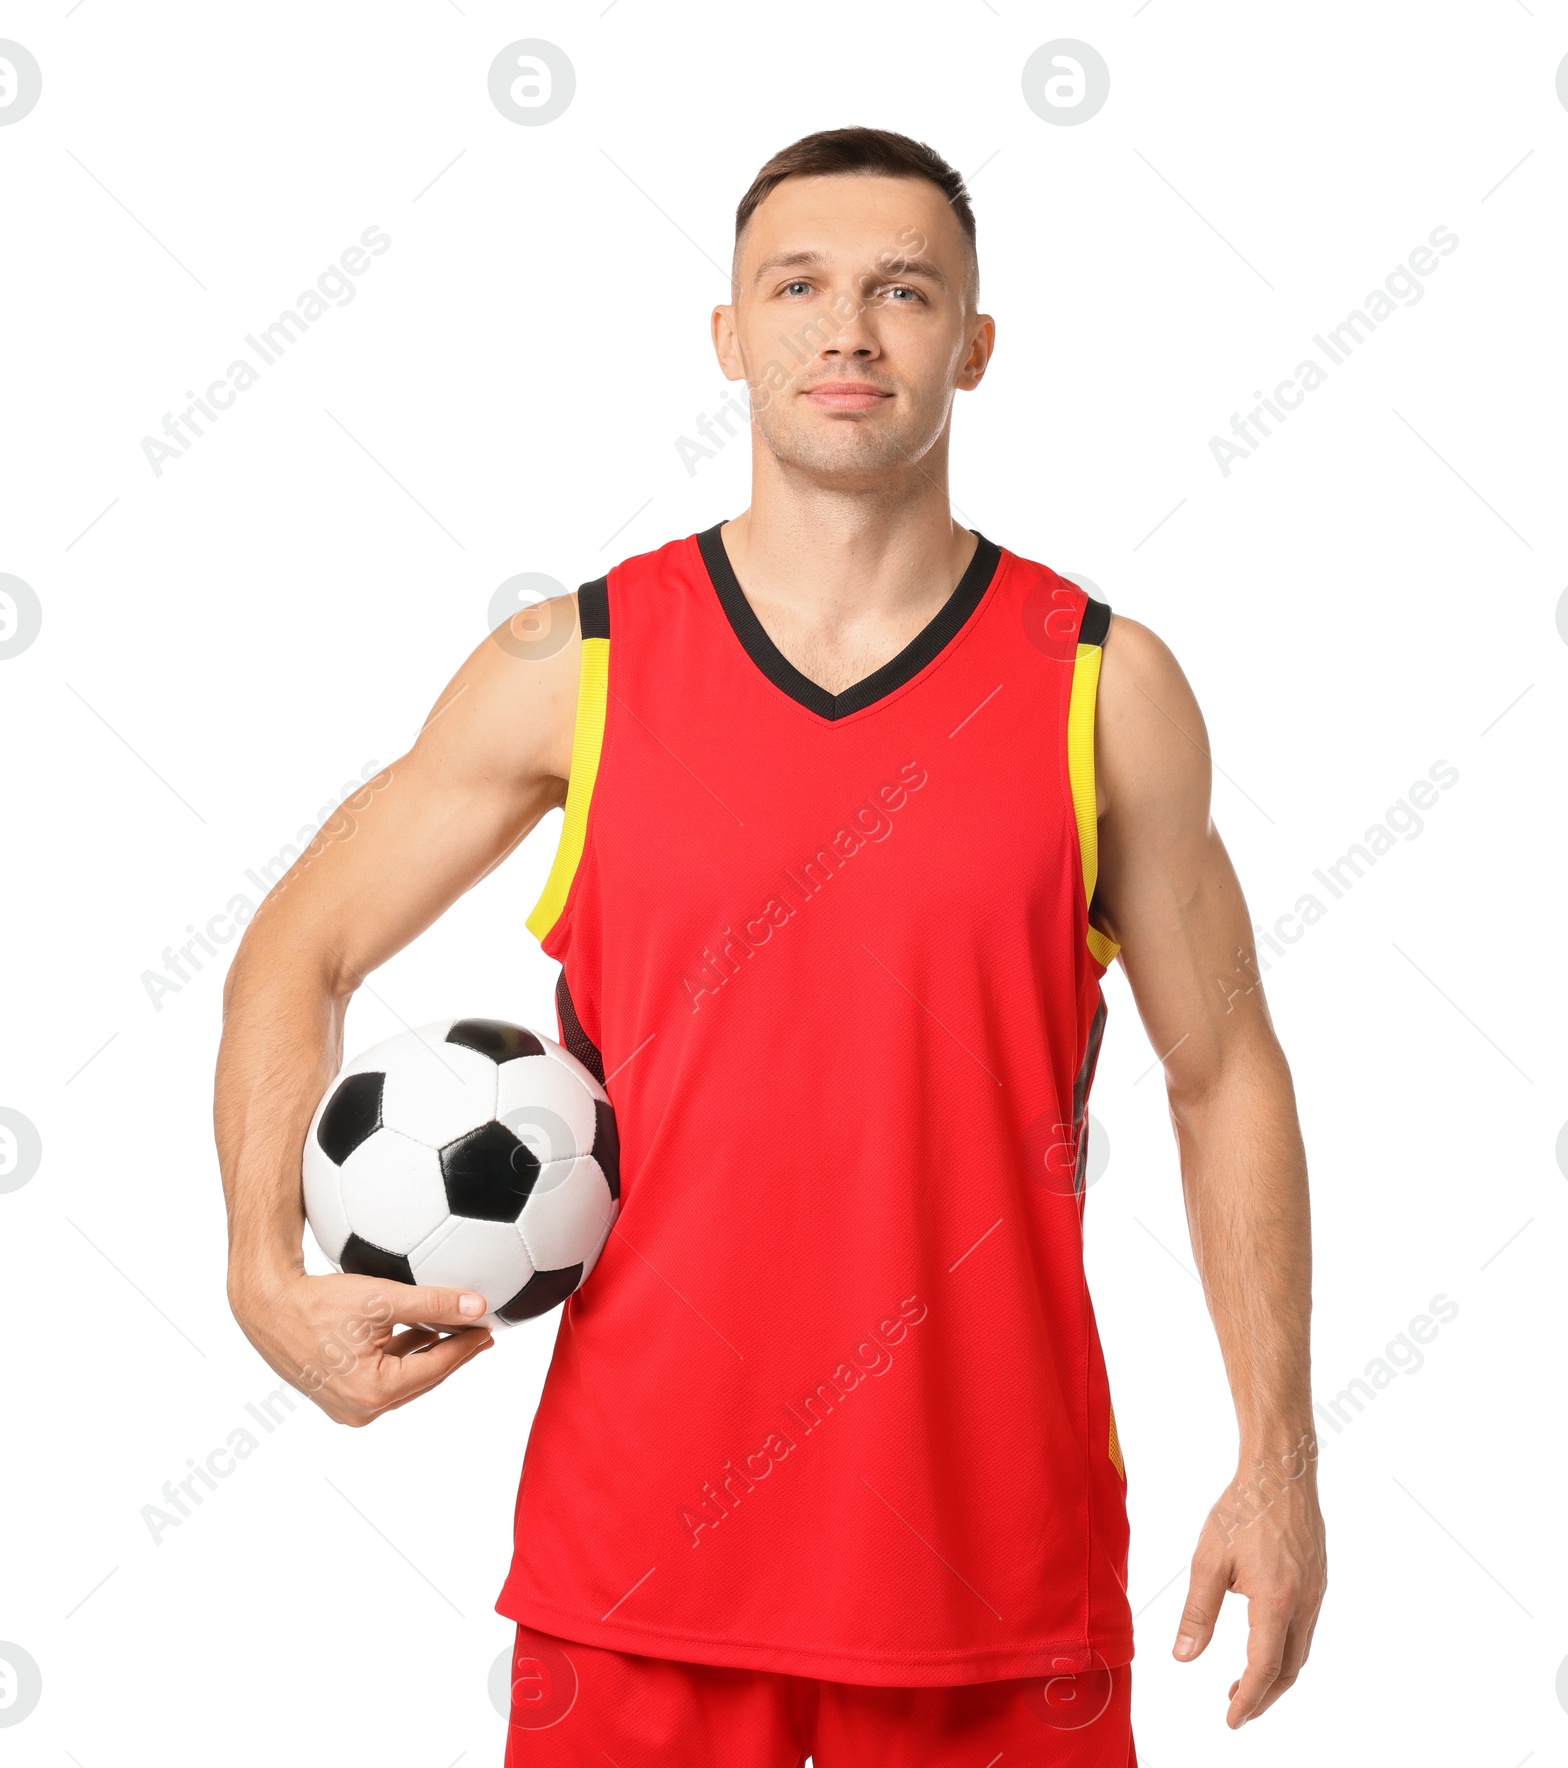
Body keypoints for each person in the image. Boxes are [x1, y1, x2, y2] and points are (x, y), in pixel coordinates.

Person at [215, 126, 1326, 1765]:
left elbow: (1224, 1071)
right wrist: (261, 1271)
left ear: (976, 343)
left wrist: (1278, 1458)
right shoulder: (571, 665)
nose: (849, 331)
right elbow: (297, 948)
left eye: (904, 291)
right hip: (635, 1568)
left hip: (995, 1580)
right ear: (729, 338)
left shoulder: (1105, 687)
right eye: (797, 287)